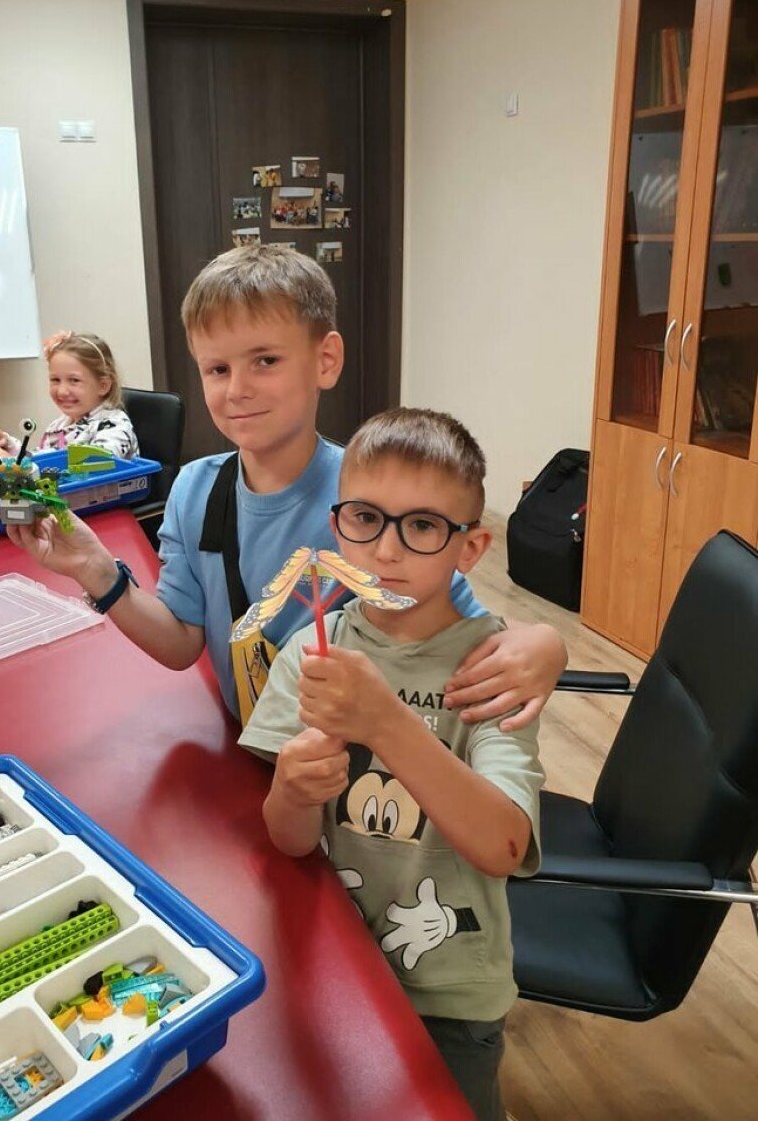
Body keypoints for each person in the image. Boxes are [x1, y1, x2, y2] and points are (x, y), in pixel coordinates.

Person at [4, 246, 565, 730]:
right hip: (253, 764)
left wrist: (548, 644)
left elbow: (462, 622)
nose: (237, 389)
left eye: (266, 360)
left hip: (357, 781)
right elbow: (180, 643)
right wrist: (97, 571)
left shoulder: (375, 500)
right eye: (217, 369)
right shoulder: (194, 490)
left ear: (325, 360)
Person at [239, 407, 544, 1121]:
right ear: (337, 524)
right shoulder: (312, 655)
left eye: (424, 526)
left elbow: (504, 846)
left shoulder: (492, 668)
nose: (386, 550)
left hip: (450, 994)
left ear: (470, 548)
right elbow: (288, 839)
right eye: (366, 518)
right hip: (337, 967)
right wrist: (292, 792)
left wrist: (384, 722)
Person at [0, 331, 139, 460]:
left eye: (74, 380)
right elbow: (41, 459)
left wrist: (10, 464)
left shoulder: (115, 426)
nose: (61, 391)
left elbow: (93, 469)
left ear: (103, 386)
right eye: (55, 380)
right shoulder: (59, 425)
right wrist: (9, 446)